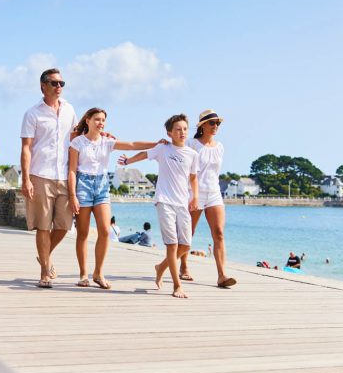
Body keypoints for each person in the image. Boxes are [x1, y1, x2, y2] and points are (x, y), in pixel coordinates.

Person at [68, 107, 160, 289]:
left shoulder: (107, 142)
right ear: (87, 120)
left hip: (102, 186)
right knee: (83, 233)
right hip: (82, 186)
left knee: (105, 231)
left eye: (103, 120)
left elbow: (132, 145)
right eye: (97, 119)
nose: (100, 123)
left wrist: (156, 144)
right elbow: (71, 170)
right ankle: (83, 274)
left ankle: (98, 273)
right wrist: (72, 196)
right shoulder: (77, 142)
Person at [119, 114, 199, 298]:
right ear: (169, 133)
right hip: (164, 201)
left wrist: (195, 198)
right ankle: (177, 286)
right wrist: (128, 161)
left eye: (185, 129)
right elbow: (143, 154)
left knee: (185, 246)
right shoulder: (163, 148)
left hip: (182, 203)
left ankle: (160, 267)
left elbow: (193, 178)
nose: (182, 132)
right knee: (172, 245)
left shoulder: (193, 154)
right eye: (178, 129)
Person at [20, 68, 78, 289]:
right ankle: (44, 270)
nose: (59, 87)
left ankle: (45, 256)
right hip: (40, 174)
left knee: (64, 225)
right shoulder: (32, 113)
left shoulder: (69, 109)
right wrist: (26, 179)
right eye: (54, 83)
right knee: (43, 226)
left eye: (62, 83)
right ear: (43, 86)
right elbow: (26, 148)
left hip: (64, 175)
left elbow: (77, 137)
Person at [185, 109, 236, 288]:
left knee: (219, 233)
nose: (216, 126)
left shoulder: (220, 147)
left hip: (214, 194)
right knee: (188, 234)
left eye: (218, 123)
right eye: (212, 123)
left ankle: (222, 275)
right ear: (202, 126)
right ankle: (183, 267)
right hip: (194, 193)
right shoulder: (191, 144)